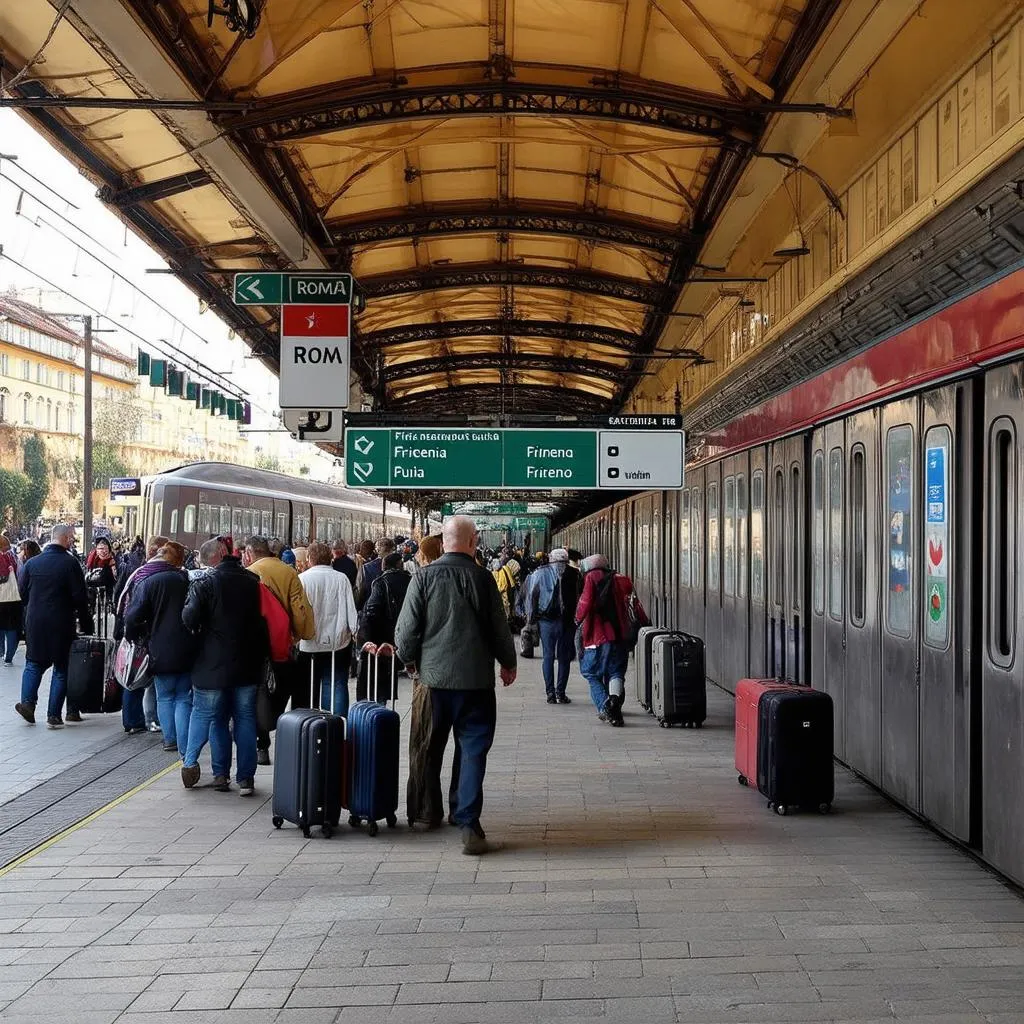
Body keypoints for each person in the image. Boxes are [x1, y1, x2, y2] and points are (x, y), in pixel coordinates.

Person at [395, 515, 516, 855]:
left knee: (428, 747)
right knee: (473, 750)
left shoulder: (423, 578)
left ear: (444, 542)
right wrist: (508, 663)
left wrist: (409, 660)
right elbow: (499, 628)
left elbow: (405, 633)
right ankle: (467, 822)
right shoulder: (483, 579)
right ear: (473, 542)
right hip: (476, 684)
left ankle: (425, 813)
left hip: (433, 683)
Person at [181, 538, 268, 794]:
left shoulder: (205, 583)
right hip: (247, 662)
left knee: (210, 716)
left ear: (212, 558)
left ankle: (208, 770)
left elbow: (188, 617)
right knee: (245, 719)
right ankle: (246, 780)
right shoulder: (252, 581)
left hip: (212, 663)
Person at [14, 524, 93, 728]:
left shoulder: (32, 564)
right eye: (72, 537)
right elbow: (79, 597)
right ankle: (54, 715)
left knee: (33, 663)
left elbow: (21, 593)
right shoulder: (70, 563)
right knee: (61, 667)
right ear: (65, 538)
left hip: (35, 621)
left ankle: (28, 704)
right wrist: (86, 623)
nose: (73, 541)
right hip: (61, 622)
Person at [244, 536, 315, 762]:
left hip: (257, 648)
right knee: (287, 691)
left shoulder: (248, 574)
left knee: (260, 695)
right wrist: (301, 634)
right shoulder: (288, 572)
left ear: (250, 552)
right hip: (284, 645)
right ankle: (291, 739)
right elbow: (300, 609)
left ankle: (261, 746)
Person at [124, 542, 196, 754]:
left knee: (164, 696)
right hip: (186, 647)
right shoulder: (187, 580)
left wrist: (134, 637)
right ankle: (184, 744)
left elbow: (132, 617)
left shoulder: (149, 582)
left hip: (159, 648)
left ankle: (169, 739)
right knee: (183, 696)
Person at [575, 554, 649, 727]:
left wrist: (577, 620)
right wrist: (645, 622)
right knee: (616, 672)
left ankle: (605, 706)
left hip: (598, 635)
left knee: (591, 673)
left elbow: (585, 604)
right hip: (620, 635)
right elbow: (635, 605)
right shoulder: (623, 579)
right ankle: (615, 701)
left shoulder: (591, 578)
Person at [114, 535, 170, 735]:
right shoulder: (153, 574)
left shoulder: (136, 572)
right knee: (141, 677)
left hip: (134, 632)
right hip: (144, 633)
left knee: (133, 676)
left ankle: (133, 719)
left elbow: (119, 599)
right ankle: (146, 718)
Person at [297, 541, 357, 715]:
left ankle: (310, 724)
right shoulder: (341, 578)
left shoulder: (302, 579)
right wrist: (354, 631)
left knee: (309, 686)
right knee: (336, 684)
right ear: (330, 558)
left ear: (309, 559)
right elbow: (351, 610)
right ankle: (337, 725)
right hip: (338, 644)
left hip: (309, 644)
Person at [526, 548, 582, 706]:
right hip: (567, 621)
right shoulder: (575, 574)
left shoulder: (540, 573)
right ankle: (561, 693)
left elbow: (532, 596)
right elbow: (580, 596)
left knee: (548, 656)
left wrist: (531, 620)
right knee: (564, 658)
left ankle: (550, 693)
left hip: (546, 621)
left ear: (551, 559)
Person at [0, 536, 22, 666]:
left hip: (2, 598)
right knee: (11, 628)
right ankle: (9, 657)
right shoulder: (12, 557)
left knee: (1, 628)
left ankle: (2, 652)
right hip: (13, 598)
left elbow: (2, 576)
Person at [355, 537, 394, 608]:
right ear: (392, 549)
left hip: (372, 606)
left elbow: (360, 590)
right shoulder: (399, 566)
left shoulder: (366, 567)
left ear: (377, 550)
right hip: (393, 609)